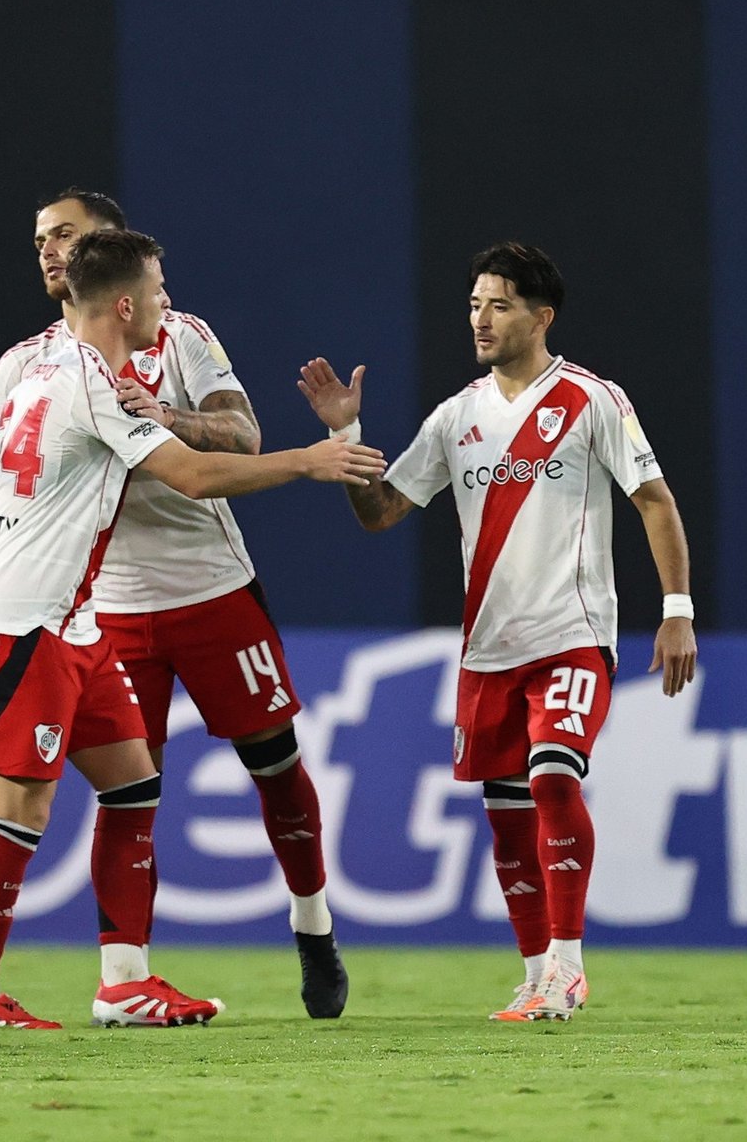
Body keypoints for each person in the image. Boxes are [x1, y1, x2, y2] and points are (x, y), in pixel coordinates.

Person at [0, 228, 383, 1029]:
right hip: (24, 624)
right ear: (124, 302)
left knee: (132, 783)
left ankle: (124, 983)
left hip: (78, 626)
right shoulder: (90, 382)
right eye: (155, 289)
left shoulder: (44, 371)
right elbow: (190, 476)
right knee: (20, 811)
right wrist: (308, 460)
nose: (165, 300)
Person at [297, 241, 697, 1023]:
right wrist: (345, 438)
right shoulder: (457, 417)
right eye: (475, 303)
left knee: (553, 776)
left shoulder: (591, 400)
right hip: (489, 649)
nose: (480, 318)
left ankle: (571, 968)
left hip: (573, 633)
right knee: (507, 814)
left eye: (500, 304)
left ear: (541, 316)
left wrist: (676, 610)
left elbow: (654, 499)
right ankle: (536, 972)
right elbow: (383, 513)